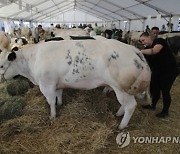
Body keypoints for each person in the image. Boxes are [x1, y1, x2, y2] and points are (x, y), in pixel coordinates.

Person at [139, 32, 179, 118]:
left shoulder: (159, 41)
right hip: (158, 71)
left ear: (149, 37)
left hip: (169, 70)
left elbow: (155, 51)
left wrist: (140, 51)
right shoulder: (147, 49)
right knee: (154, 87)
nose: (142, 43)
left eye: (143, 40)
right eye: (141, 41)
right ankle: (152, 105)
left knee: (165, 90)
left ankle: (165, 111)